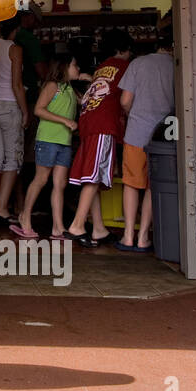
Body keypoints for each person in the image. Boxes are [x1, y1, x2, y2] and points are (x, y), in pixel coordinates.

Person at [65, 29, 134, 247]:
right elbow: (126, 99)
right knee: (94, 177)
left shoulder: (101, 68)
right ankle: (77, 225)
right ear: (124, 49)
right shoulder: (125, 67)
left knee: (90, 176)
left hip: (88, 123)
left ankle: (98, 228)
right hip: (105, 125)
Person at [13, 55, 88, 239]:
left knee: (60, 184)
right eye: (74, 65)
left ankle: (58, 226)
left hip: (64, 142)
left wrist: (91, 81)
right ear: (64, 67)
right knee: (41, 179)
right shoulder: (52, 86)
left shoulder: (70, 88)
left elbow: (86, 102)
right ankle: (25, 217)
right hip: (48, 140)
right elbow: (38, 109)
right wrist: (66, 121)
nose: (77, 68)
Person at [117, 27, 176, 252]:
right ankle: (143, 238)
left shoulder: (138, 64)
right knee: (153, 185)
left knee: (131, 183)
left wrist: (134, 114)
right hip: (163, 136)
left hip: (136, 132)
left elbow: (124, 100)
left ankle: (128, 237)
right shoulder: (176, 66)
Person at [0, 17, 29, 225]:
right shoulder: (15, 49)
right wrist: (26, 111)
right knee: (12, 158)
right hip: (9, 106)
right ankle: (2, 207)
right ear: (17, 29)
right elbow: (17, 84)